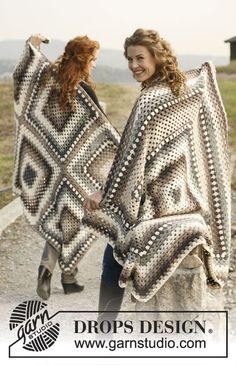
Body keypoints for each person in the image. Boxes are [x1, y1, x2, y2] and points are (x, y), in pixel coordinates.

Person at [83, 28, 230, 318]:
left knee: (115, 246)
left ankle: (103, 329)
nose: (134, 65)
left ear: (157, 56)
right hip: (184, 199)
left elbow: (130, 161)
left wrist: (105, 193)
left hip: (155, 203)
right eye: (129, 59)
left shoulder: (149, 100)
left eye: (140, 57)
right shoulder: (183, 91)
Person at [12, 34, 120, 300]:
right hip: (79, 170)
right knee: (77, 220)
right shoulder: (83, 88)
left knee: (62, 220)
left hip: (50, 168)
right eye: (93, 59)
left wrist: (32, 46)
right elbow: (101, 127)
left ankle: (57, 272)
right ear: (83, 58)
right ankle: (67, 276)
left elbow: (22, 76)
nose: (94, 64)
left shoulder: (47, 78)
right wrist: (121, 144)